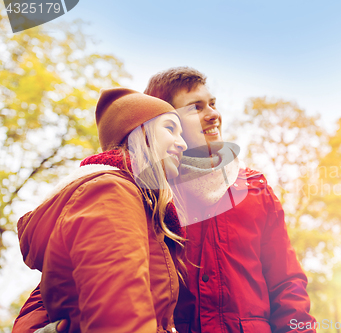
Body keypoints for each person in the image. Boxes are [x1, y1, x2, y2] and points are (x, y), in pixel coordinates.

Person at [14, 68, 317, 333]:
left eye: (212, 103)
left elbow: (287, 285)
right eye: (195, 107)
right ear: (159, 119)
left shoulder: (253, 189)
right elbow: (71, 276)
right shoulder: (145, 193)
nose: (212, 114)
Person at [13, 88, 187, 333]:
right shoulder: (111, 192)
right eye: (170, 129)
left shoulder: (131, 199)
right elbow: (121, 318)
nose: (183, 143)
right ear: (140, 133)